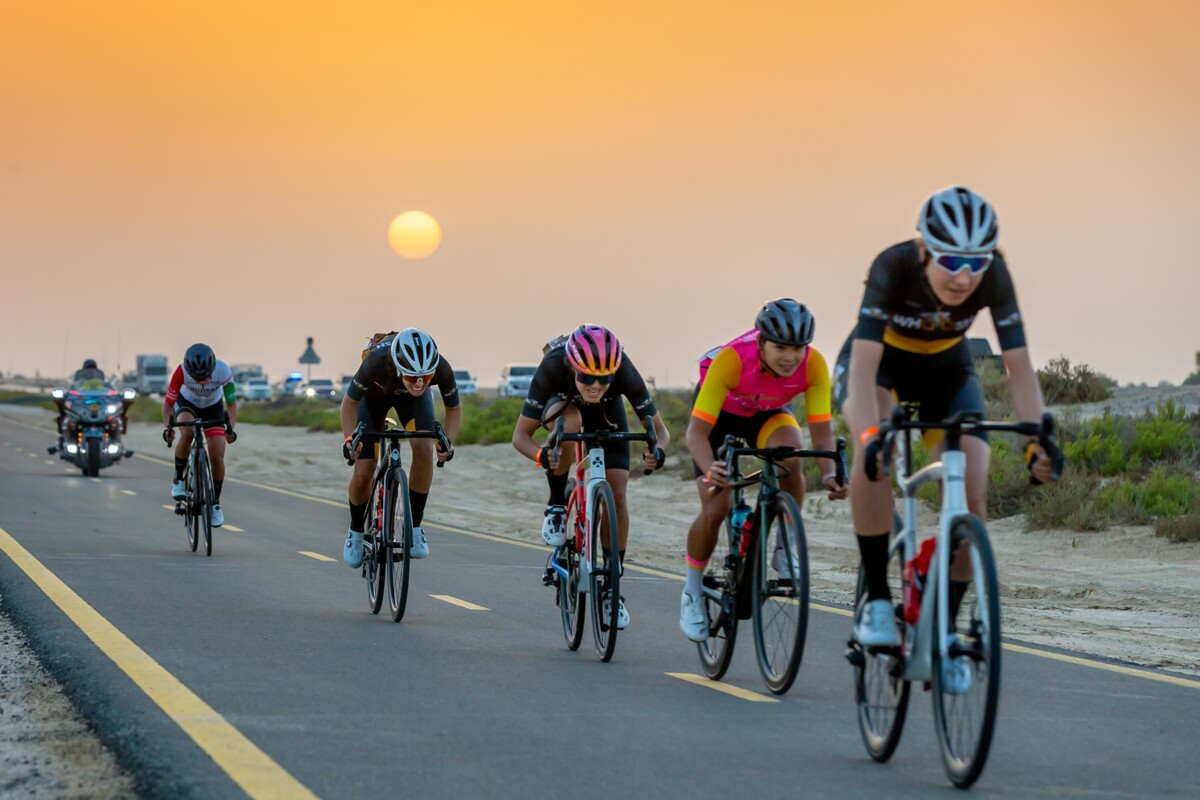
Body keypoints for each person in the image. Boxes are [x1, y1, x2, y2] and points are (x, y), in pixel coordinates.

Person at [836, 186, 1059, 656]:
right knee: (875, 452)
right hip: (880, 365)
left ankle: (941, 628)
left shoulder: (995, 276)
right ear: (924, 250)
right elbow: (861, 369)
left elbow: (1019, 367)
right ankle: (878, 600)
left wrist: (1037, 439)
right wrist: (870, 434)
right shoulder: (892, 265)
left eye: (977, 262)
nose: (965, 277)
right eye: (952, 261)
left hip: (947, 371)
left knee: (972, 493)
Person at [678, 299, 846, 641]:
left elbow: (822, 432)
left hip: (767, 415)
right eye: (780, 347)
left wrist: (830, 474)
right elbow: (696, 433)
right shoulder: (731, 359)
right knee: (716, 506)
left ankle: (784, 546)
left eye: (798, 348)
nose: (790, 356)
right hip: (718, 421)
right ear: (761, 342)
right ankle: (692, 591)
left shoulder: (814, 366)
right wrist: (711, 470)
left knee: (790, 453)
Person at [511, 324, 669, 630]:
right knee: (572, 421)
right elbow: (521, 436)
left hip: (608, 413)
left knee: (618, 492)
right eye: (587, 378)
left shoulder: (623, 370)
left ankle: (612, 585)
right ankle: (557, 505)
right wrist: (543, 456)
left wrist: (657, 453)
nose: (595, 385)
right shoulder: (554, 365)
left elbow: (660, 433)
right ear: (573, 367)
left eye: (604, 378)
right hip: (563, 404)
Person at [341, 328, 460, 568]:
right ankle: (355, 532)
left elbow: (454, 409)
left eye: (426, 378)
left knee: (424, 448)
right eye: (413, 377)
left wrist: (447, 442)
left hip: (412, 403)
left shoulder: (441, 367)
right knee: (364, 470)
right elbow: (349, 404)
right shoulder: (376, 362)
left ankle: (415, 527)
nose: (419, 383)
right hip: (373, 398)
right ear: (398, 366)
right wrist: (348, 440)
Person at [162, 343, 238, 527]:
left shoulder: (223, 370)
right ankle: (178, 479)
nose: (202, 382)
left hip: (213, 407)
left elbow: (232, 404)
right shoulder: (180, 372)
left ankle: (215, 504)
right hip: (187, 403)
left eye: (205, 377)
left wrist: (230, 429)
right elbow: (168, 405)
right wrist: (168, 428)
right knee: (187, 433)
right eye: (197, 378)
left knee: (217, 454)